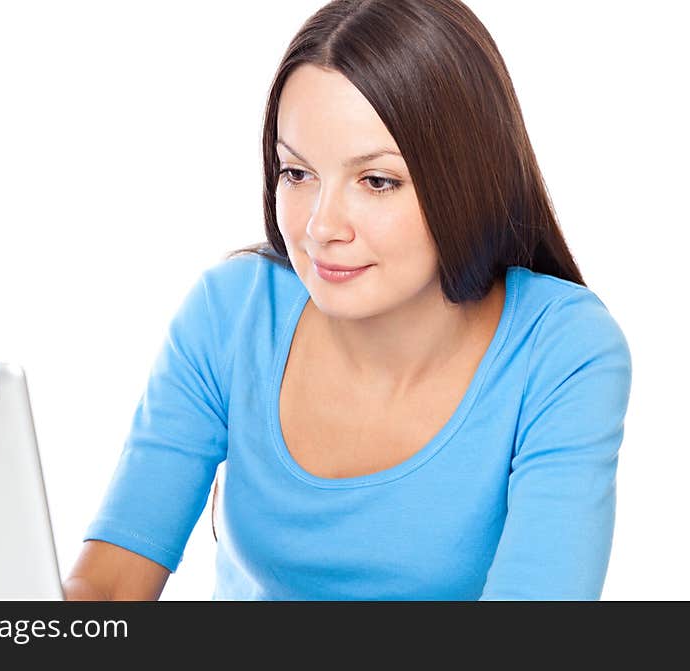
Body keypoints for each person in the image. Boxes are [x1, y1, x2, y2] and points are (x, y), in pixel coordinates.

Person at [63, 0, 632, 601]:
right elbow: (107, 590)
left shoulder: (563, 350)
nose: (319, 227)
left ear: (467, 179)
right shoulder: (231, 311)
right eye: (296, 173)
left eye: (377, 181)